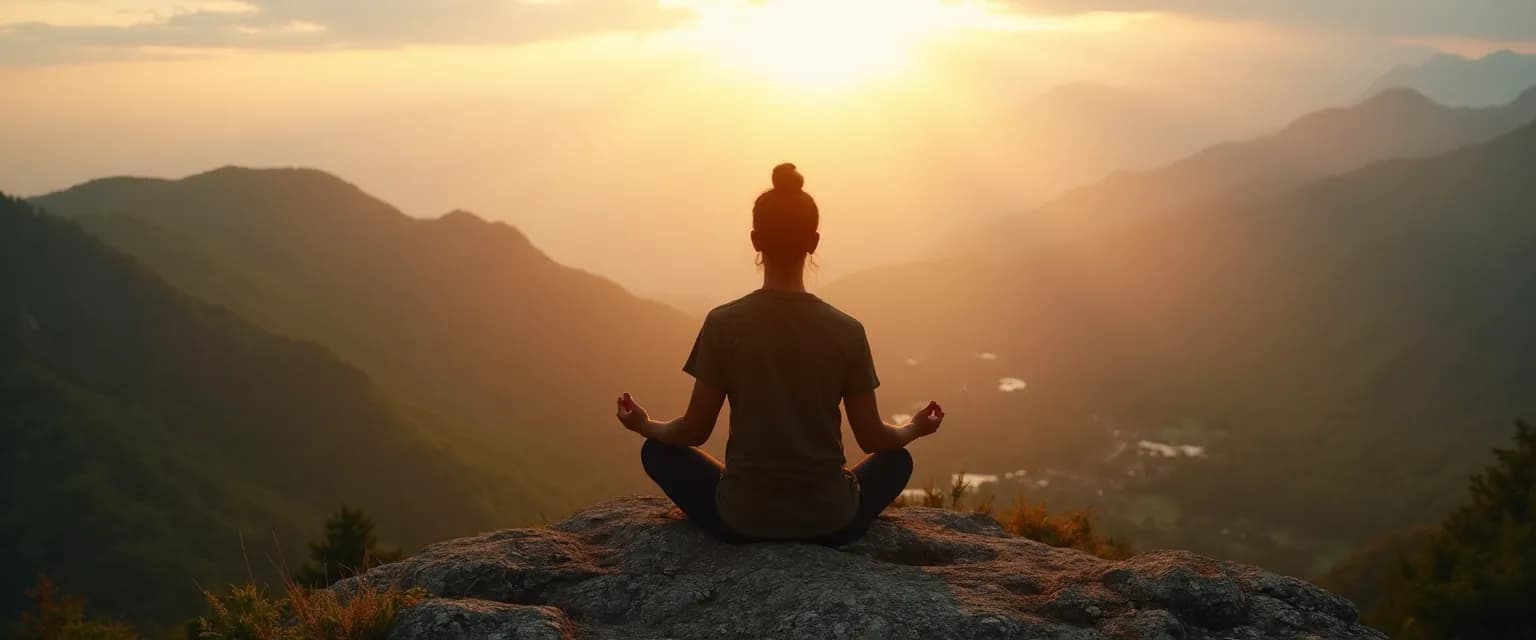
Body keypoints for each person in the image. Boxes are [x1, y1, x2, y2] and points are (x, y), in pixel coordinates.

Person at [615, 163, 945, 545]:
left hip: (741, 520)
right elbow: (873, 438)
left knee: (657, 453)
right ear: (814, 241)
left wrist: (644, 424)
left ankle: (747, 492)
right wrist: (915, 428)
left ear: (755, 240)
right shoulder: (847, 331)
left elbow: (693, 430)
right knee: (897, 461)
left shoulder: (724, 323)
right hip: (832, 521)